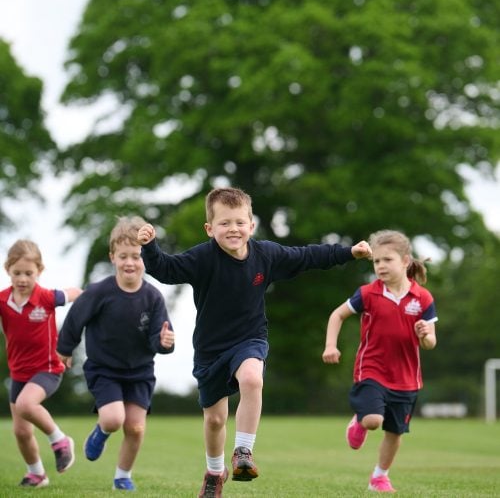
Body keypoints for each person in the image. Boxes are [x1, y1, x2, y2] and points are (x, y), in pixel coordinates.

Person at [137, 187, 372, 497]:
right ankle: (214, 471)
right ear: (210, 229)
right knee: (215, 420)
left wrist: (347, 252)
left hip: (250, 338)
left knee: (252, 378)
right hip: (210, 349)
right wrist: (150, 247)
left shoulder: (266, 254)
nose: (232, 229)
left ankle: (244, 452)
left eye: (239, 222)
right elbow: (165, 269)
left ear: (251, 225)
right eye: (224, 223)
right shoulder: (202, 258)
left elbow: (307, 256)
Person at [56, 216, 175, 492]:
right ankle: (101, 431)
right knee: (113, 419)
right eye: (123, 256)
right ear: (113, 257)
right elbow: (75, 319)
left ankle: (123, 476)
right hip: (104, 369)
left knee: (135, 428)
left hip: (140, 372)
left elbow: (160, 337)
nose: (130, 262)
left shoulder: (154, 297)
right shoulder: (99, 292)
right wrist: (64, 348)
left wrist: (166, 342)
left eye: (136, 255)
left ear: (145, 257)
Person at [322, 229, 437, 493]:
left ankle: (379, 476)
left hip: (407, 378)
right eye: (376, 261)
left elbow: (431, 343)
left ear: (405, 261)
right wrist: (330, 345)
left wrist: (425, 334)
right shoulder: (367, 293)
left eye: (388, 260)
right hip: (371, 370)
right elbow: (337, 315)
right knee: (373, 420)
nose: (381, 266)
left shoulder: (423, 298)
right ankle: (361, 420)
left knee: (395, 432)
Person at [0, 239, 82, 488]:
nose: (23, 279)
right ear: (8, 271)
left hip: (47, 369)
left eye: (29, 273)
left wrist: (93, 301)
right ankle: (36, 474)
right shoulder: (3, 301)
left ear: (39, 271)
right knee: (22, 432)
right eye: (17, 273)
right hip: (18, 373)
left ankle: (60, 441)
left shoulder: (47, 297)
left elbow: (75, 293)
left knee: (26, 404)